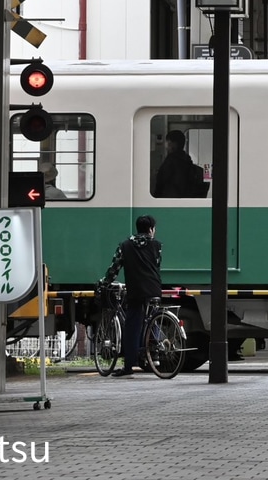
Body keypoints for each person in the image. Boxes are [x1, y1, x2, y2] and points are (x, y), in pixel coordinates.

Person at [100, 215, 163, 376]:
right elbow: (156, 264)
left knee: (132, 325)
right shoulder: (157, 245)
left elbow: (114, 268)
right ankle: (156, 346)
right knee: (152, 316)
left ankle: (129, 366)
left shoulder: (125, 245)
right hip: (154, 287)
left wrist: (104, 282)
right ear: (150, 229)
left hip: (136, 289)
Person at [155, 129, 203, 198]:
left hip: (170, 199)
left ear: (173, 143)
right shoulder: (187, 160)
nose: (166, 145)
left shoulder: (171, 160)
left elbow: (161, 181)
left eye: (168, 141)